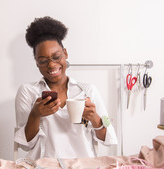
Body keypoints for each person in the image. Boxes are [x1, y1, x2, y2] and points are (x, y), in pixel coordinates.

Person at [14, 16, 117, 160]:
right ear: (36, 63)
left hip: (83, 168)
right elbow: (26, 145)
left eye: (56, 57)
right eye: (43, 61)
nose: (51, 65)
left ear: (65, 54)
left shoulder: (88, 91)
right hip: (43, 168)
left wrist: (95, 118)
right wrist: (35, 115)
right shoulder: (28, 91)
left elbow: (109, 138)